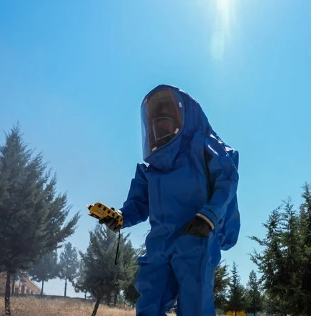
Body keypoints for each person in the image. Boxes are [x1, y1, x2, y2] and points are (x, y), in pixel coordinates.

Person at [100, 84, 240, 316]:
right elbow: (137, 204)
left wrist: (209, 216)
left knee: (194, 305)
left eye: (165, 115)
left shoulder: (201, 145)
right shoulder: (150, 169)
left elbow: (227, 178)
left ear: (183, 115)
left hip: (195, 236)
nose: (158, 122)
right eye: (154, 118)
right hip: (159, 242)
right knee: (149, 302)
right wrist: (120, 218)